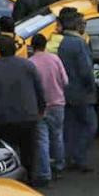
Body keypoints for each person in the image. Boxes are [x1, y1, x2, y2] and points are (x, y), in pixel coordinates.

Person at [0, 34, 45, 179]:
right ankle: (30, 178)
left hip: (2, 117)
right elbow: (39, 89)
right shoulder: (28, 65)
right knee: (29, 150)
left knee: (5, 151)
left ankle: (10, 179)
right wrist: (41, 108)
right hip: (27, 116)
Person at [57, 8, 97, 172]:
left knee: (69, 127)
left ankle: (67, 157)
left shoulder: (62, 42)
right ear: (77, 25)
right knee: (90, 125)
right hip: (82, 92)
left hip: (67, 91)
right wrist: (92, 87)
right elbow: (86, 70)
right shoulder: (79, 43)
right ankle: (79, 157)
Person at [29, 33, 68, 186]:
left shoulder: (30, 63)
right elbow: (65, 81)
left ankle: (45, 173)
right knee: (57, 135)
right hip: (57, 103)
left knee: (42, 140)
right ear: (45, 45)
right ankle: (59, 166)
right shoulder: (55, 59)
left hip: (39, 106)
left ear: (32, 46)